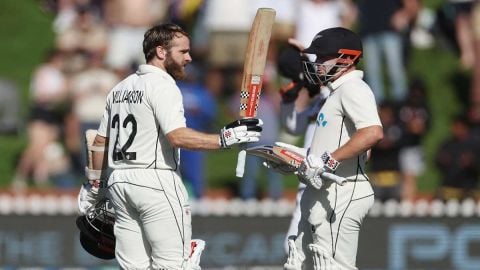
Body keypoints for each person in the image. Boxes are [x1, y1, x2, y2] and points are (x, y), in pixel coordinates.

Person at [80, 23, 263, 269]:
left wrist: (96, 188)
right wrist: (225, 138)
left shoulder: (119, 88)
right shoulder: (164, 86)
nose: (189, 58)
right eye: (183, 52)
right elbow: (177, 137)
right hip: (156, 182)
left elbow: (100, 141)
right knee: (172, 265)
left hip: (120, 183)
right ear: (161, 52)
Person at [271, 27, 383, 269]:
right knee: (296, 262)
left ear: (346, 58)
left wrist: (329, 160)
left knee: (332, 266)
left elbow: (373, 133)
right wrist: (293, 160)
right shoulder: (334, 93)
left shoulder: (354, 89)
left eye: (323, 57)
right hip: (320, 189)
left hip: (343, 192)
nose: (318, 63)